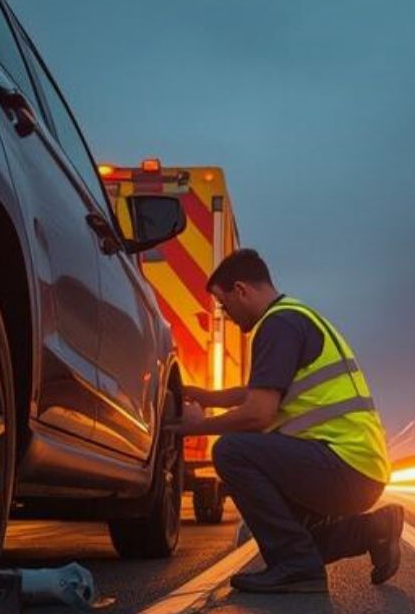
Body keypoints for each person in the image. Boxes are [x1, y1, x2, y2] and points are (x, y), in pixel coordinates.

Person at [170, 248, 403, 594]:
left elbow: (258, 413)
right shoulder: (295, 316)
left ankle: (296, 567)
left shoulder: (277, 325)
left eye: (223, 304)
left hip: (341, 467)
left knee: (231, 451)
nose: (226, 315)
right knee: (304, 541)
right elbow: (258, 391)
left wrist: (189, 429)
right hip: (357, 468)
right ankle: (375, 529)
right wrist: (208, 397)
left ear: (241, 290)